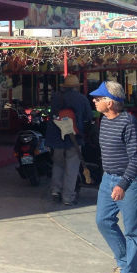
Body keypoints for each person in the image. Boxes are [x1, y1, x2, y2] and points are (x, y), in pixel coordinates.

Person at [90, 80, 137, 273]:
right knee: (103, 220)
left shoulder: (128, 122)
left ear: (110, 102)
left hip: (129, 181)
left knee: (132, 229)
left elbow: (136, 159)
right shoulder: (103, 121)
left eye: (98, 98)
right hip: (108, 178)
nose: (94, 101)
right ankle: (123, 263)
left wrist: (123, 184)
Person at [45, 74, 93, 206]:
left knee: (58, 164)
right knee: (71, 167)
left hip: (56, 137)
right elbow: (88, 116)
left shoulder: (55, 98)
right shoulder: (82, 99)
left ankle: (55, 191)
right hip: (74, 137)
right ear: (77, 87)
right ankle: (68, 197)